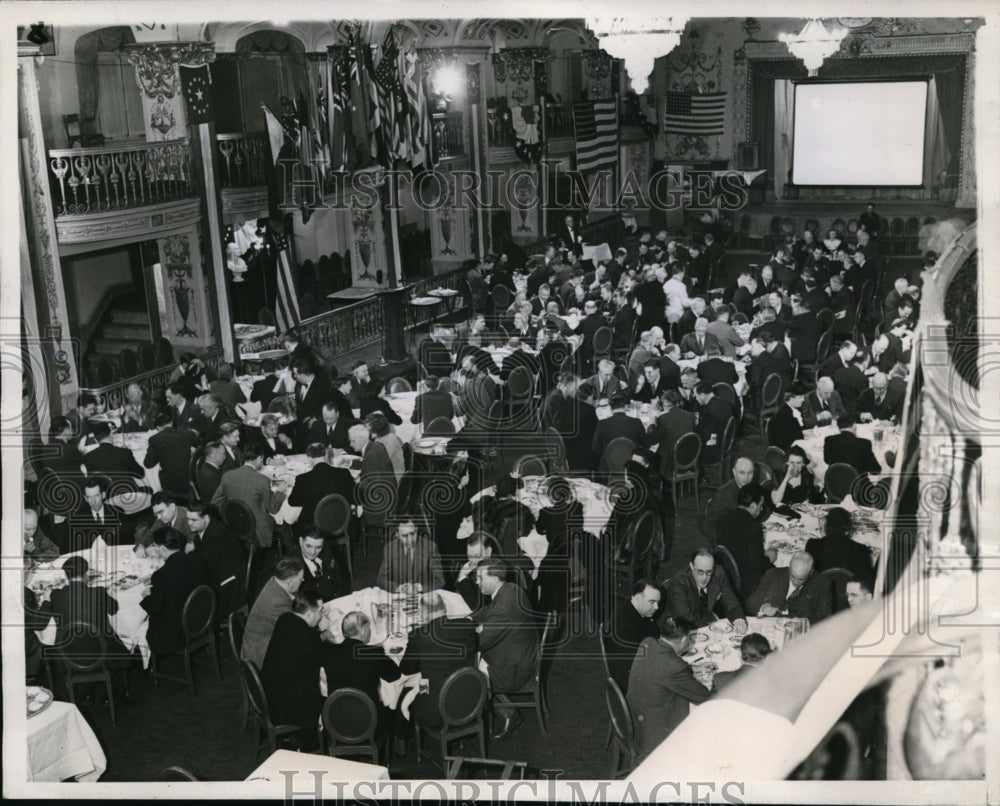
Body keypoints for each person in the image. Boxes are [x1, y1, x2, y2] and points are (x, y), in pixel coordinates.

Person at [626, 616, 713, 760]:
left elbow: (660, 669)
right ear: (684, 639)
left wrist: (693, 668)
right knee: (705, 724)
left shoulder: (648, 642)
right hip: (653, 737)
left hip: (634, 720)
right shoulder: (675, 666)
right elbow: (703, 697)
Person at [473, 558, 539, 739]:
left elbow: (479, 643)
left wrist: (470, 631)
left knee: (468, 669)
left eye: (480, 577)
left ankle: (508, 713)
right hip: (524, 654)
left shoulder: (503, 607)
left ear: (494, 578)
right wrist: (469, 619)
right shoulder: (511, 589)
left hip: (516, 669)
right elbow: (489, 610)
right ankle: (508, 709)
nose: (477, 581)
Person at [399, 592, 479, 732]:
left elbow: (406, 669)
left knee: (408, 689)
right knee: (427, 678)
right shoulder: (467, 626)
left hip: (436, 710)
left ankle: (402, 738)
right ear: (444, 607)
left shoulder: (418, 635)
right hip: (471, 700)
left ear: (424, 613)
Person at [260, 587, 326, 751]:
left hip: (270, 694)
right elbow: (325, 658)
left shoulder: (285, 619)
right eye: (320, 611)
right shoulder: (307, 636)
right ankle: (310, 744)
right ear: (310, 614)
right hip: (287, 708)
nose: (322, 614)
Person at [140, 526, 208, 656]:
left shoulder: (162, 575)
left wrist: (146, 597)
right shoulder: (197, 559)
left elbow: (154, 607)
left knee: (139, 624)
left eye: (154, 545)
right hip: (202, 622)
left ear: (162, 549)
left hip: (177, 634)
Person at [211, 444, 286, 559]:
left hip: (235, 525)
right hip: (257, 529)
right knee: (285, 522)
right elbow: (273, 508)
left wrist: (231, 515)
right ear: (260, 458)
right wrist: (280, 492)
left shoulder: (227, 476)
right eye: (262, 460)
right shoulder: (262, 480)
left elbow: (215, 502)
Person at [187, 502, 247, 620]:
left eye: (193, 520)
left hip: (230, 584)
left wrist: (188, 555)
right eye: (188, 519)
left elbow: (202, 564)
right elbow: (201, 546)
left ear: (206, 518)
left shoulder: (215, 536)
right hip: (224, 571)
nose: (189, 523)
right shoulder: (210, 526)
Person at [241, 557, 305, 669]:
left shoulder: (275, 581)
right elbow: (296, 630)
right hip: (260, 657)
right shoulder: (277, 602)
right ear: (290, 581)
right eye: (301, 579)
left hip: (257, 643)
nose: (302, 581)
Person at [716, 484, 775, 600]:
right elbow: (756, 565)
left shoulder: (722, 518)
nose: (762, 509)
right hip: (746, 584)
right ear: (753, 506)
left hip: (726, 576)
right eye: (761, 505)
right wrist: (769, 558)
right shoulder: (754, 527)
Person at [662, 549, 746, 629]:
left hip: (704, 624)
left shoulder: (718, 574)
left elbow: (731, 603)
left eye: (709, 572)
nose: (704, 577)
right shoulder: (679, 581)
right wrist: (712, 620)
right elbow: (685, 619)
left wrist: (738, 619)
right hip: (678, 628)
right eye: (700, 571)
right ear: (691, 566)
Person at [604, 579, 661, 693]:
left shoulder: (638, 612)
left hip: (641, 665)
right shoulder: (624, 624)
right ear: (637, 598)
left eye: (658, 602)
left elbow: (654, 635)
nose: (657, 607)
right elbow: (632, 666)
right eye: (652, 602)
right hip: (632, 682)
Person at [746, 551, 834, 624]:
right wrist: (764, 607)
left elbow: (825, 618)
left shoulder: (822, 583)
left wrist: (803, 622)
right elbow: (751, 603)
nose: (795, 582)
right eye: (793, 577)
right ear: (789, 567)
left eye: (801, 579)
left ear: (811, 572)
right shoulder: (773, 575)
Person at [286, 443, 356, 531]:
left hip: (313, 528)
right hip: (341, 524)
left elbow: (292, 502)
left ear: (309, 458)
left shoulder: (303, 479)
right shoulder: (344, 473)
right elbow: (353, 498)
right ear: (325, 455)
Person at [805, 507, 874, 590]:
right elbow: (868, 584)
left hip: (819, 594)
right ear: (848, 528)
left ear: (826, 525)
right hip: (850, 597)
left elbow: (806, 577)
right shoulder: (862, 550)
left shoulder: (812, 545)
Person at [350, 423, 396, 543]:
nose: (350, 444)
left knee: (350, 502)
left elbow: (373, 484)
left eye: (353, 441)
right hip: (391, 497)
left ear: (361, 440)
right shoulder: (377, 446)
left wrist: (357, 482)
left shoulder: (371, 455)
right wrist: (352, 465)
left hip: (380, 508)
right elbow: (369, 465)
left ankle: (353, 539)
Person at [377, 518, 445, 593]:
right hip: (399, 595)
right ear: (397, 535)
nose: (410, 540)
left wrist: (418, 587)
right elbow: (381, 579)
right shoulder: (389, 549)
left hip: (423, 595)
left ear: (416, 529)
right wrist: (398, 587)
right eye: (405, 536)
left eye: (412, 534)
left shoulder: (431, 548)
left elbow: (440, 581)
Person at [144, 411, 197, 499]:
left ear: (158, 427)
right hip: (188, 478)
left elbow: (148, 464)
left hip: (169, 482)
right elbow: (200, 446)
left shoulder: (155, 439)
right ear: (171, 423)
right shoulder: (188, 434)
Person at [647, 389, 696, 478]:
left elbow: (651, 440)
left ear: (664, 404)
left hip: (670, 465)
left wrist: (651, 423)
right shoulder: (691, 416)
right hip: (689, 460)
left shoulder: (663, 418)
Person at [592, 395, 647, 472]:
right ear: (625, 407)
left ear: (611, 409)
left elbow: (596, 449)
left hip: (608, 468)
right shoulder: (637, 422)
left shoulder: (602, 424)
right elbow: (646, 444)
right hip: (632, 468)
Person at [294, 526, 350, 602]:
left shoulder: (325, 550)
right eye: (308, 546)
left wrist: (339, 601)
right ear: (301, 541)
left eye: (318, 547)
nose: (313, 552)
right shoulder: (293, 564)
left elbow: (338, 577)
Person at [70, 478, 126, 550]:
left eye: (96, 496)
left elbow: (127, 538)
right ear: (85, 498)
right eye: (89, 497)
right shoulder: (78, 517)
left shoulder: (117, 512)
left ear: (103, 495)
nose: (93, 501)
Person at [767, 382, 807, 452]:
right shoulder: (783, 415)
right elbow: (783, 440)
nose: (803, 399)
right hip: (785, 451)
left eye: (803, 397)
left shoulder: (795, 410)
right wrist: (802, 433)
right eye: (800, 397)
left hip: (794, 444)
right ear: (791, 398)